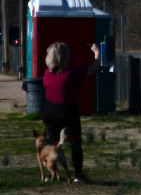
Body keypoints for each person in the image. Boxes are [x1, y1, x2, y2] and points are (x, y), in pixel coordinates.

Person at [42, 41, 100, 183]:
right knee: (74, 143)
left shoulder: (47, 74)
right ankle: (78, 175)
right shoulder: (72, 74)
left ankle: (51, 172)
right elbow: (94, 67)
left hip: (49, 111)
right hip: (67, 111)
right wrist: (97, 53)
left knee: (52, 143)